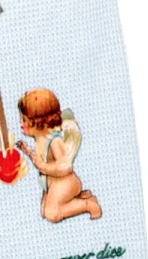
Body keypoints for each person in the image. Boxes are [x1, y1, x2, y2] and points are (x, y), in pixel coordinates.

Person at [16, 87, 102, 223]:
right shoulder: (39, 139)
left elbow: (65, 166)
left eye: (24, 120)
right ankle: (80, 197)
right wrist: (26, 149)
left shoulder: (54, 141)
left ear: (39, 123)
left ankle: (88, 204)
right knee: (43, 212)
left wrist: (43, 167)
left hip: (65, 182)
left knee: (52, 214)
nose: (21, 124)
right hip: (51, 183)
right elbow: (39, 158)